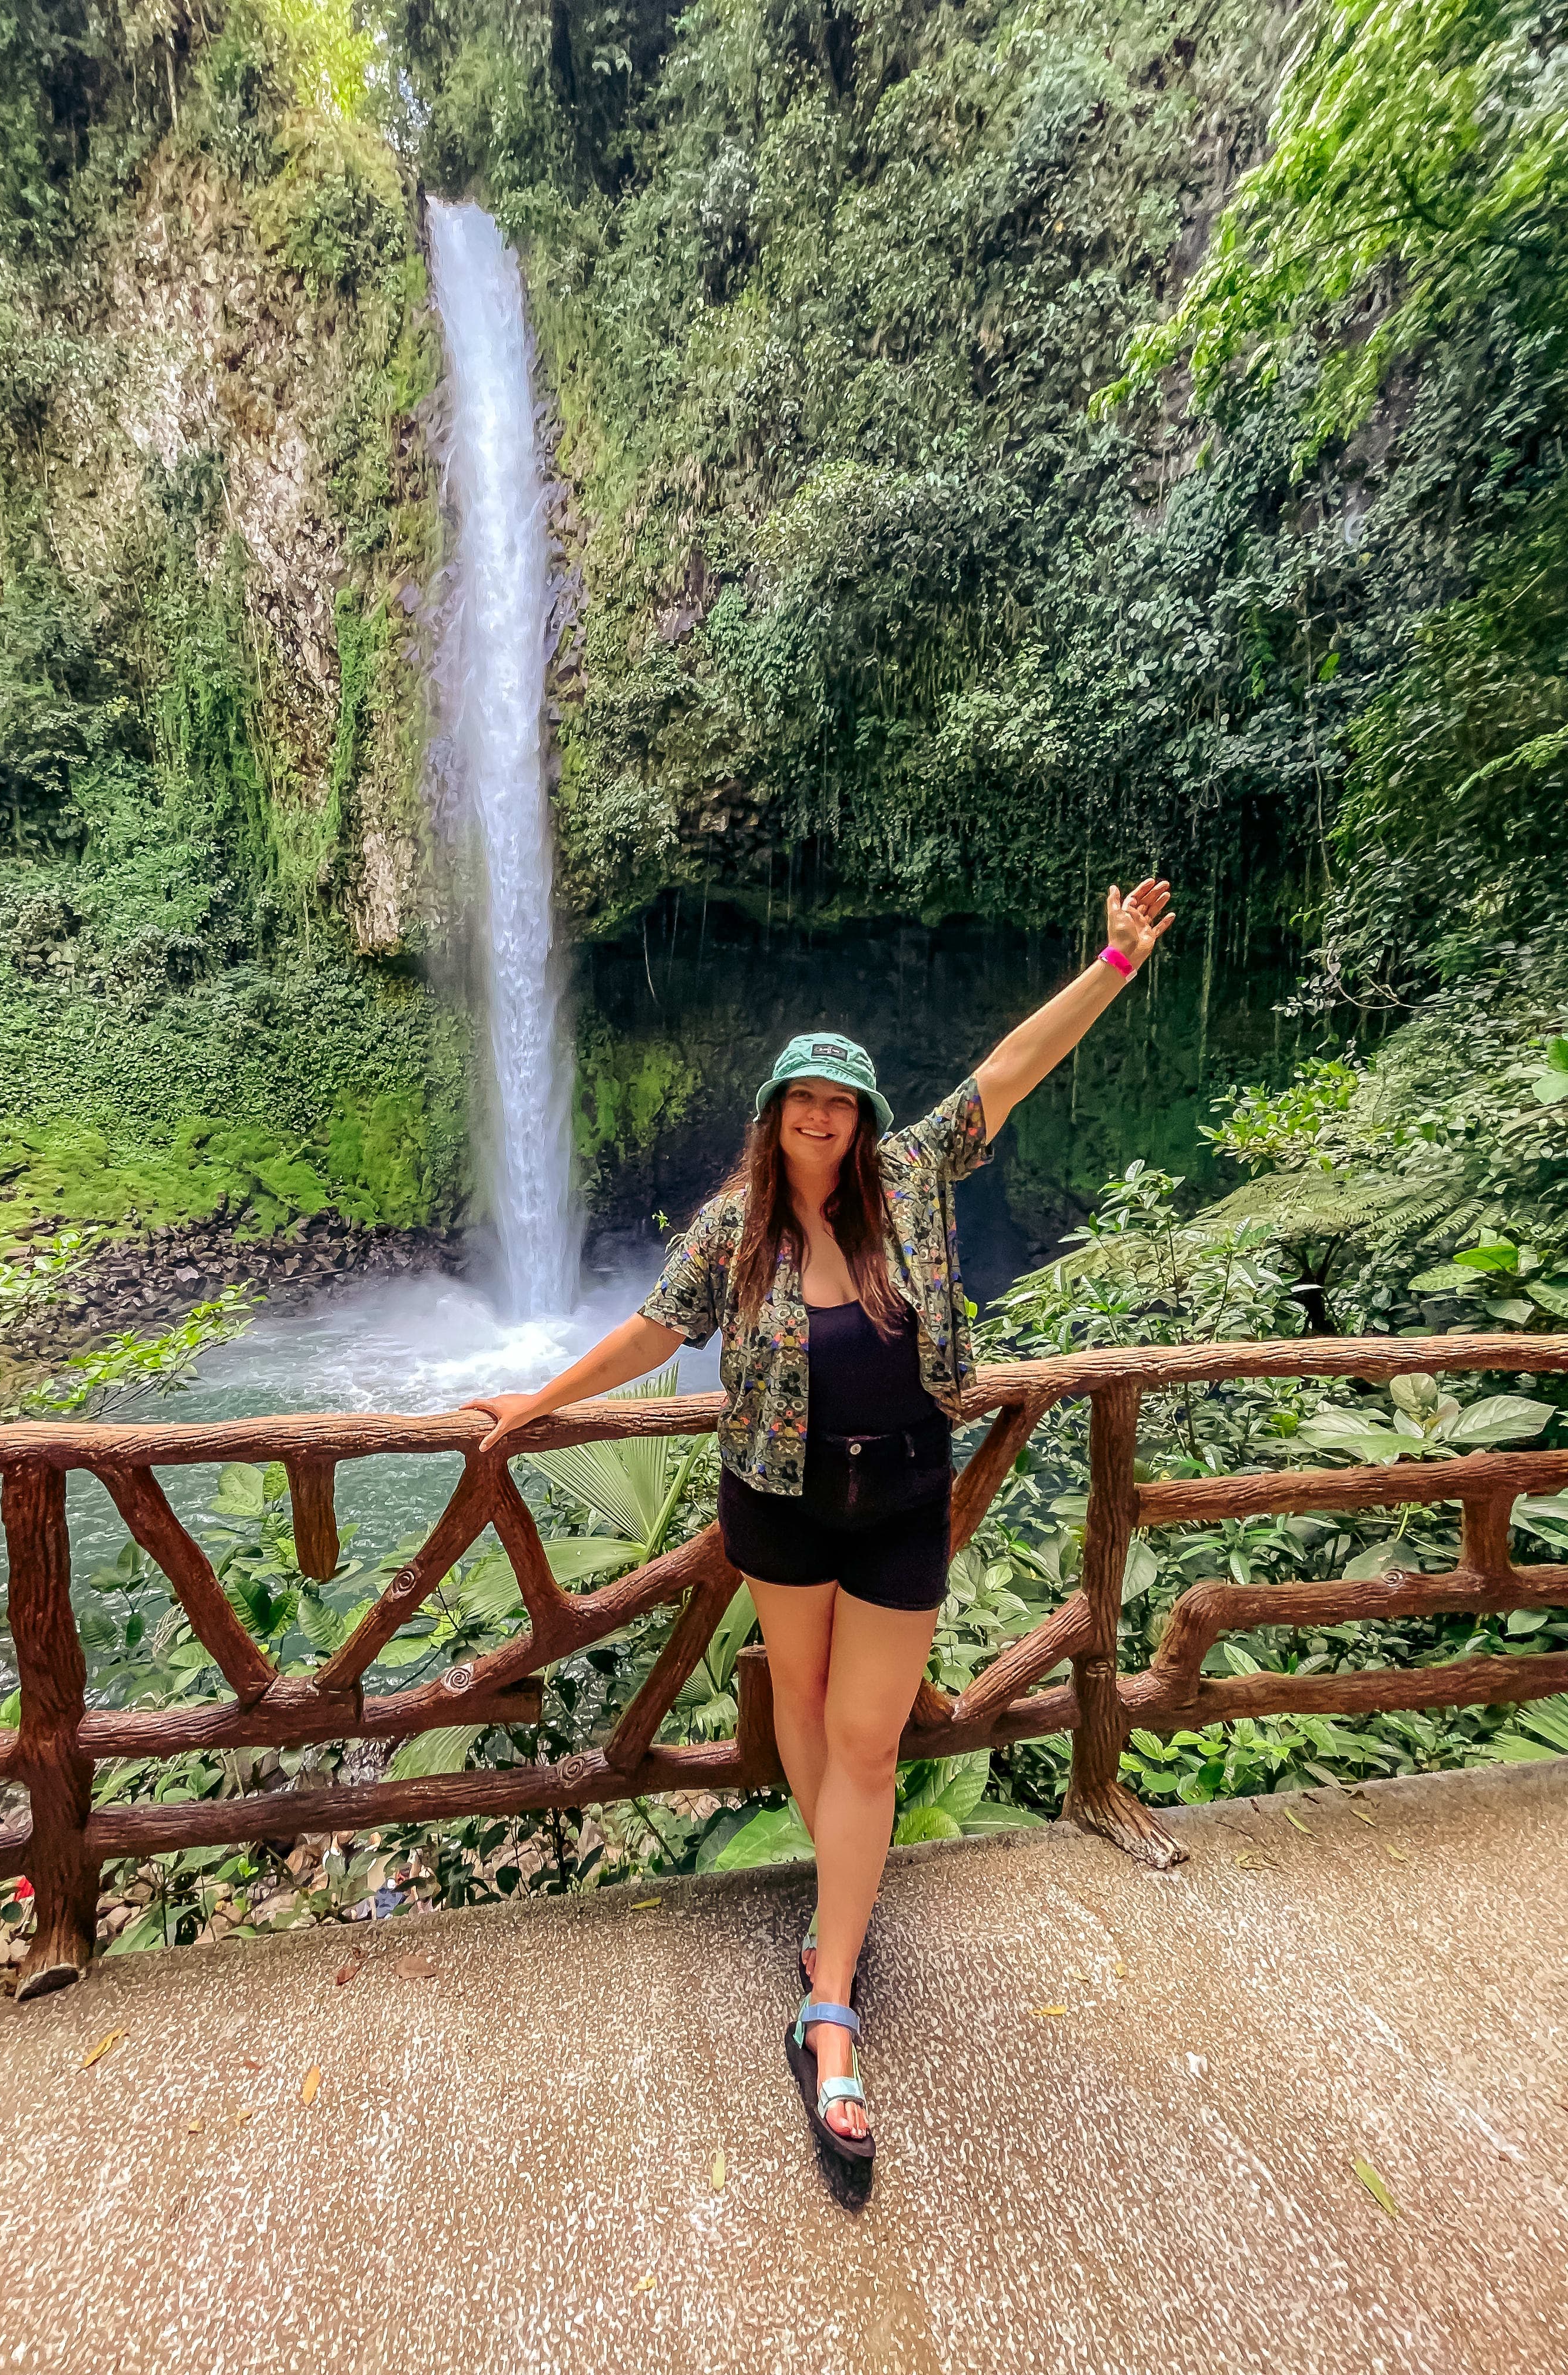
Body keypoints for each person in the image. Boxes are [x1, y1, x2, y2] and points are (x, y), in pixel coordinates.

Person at [465, 878, 1175, 2166]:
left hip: (903, 1496)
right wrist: (537, 1399)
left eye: (840, 1100)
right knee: (802, 1709)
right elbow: (650, 1330)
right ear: (773, 1113)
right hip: (777, 1504)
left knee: (865, 1745)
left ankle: (830, 2004)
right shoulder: (734, 1228)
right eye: (804, 1098)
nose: (821, 1117)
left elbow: (1009, 1071)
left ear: (864, 1118)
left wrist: (1115, 965)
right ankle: (836, 1915)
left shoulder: (912, 1179)